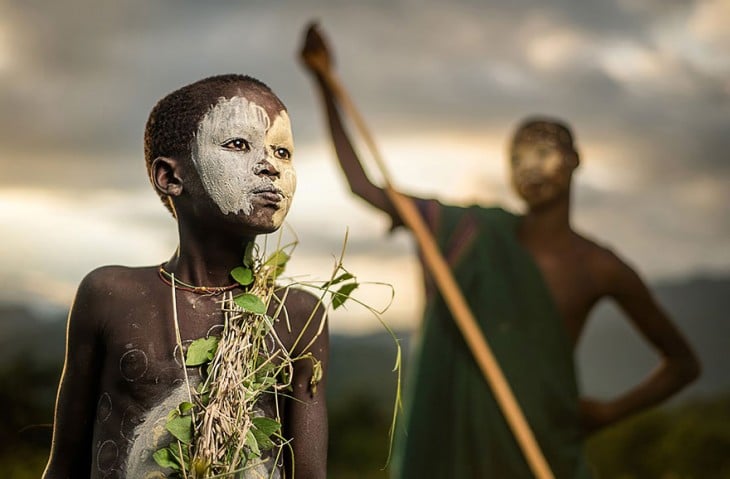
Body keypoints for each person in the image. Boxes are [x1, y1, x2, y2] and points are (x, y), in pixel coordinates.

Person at [300, 25, 700, 478]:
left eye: (545, 150)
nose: (531, 166)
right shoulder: (467, 232)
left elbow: (683, 364)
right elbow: (364, 185)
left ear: (575, 160)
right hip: (453, 446)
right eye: (518, 157)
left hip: (544, 447)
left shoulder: (600, 268)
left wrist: (609, 413)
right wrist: (325, 82)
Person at [43, 74, 328, 479]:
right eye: (238, 144)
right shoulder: (111, 295)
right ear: (170, 177)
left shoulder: (298, 316)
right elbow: (64, 465)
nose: (270, 167)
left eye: (282, 151)